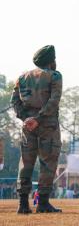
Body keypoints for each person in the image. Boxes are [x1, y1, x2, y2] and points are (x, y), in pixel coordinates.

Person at [11, 45, 63, 214]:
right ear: (51, 60)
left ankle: (23, 204)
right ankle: (43, 203)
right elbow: (54, 101)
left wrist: (26, 118)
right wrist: (38, 118)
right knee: (48, 163)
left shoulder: (22, 77)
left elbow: (15, 101)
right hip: (47, 124)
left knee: (26, 163)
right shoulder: (55, 76)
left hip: (28, 126)